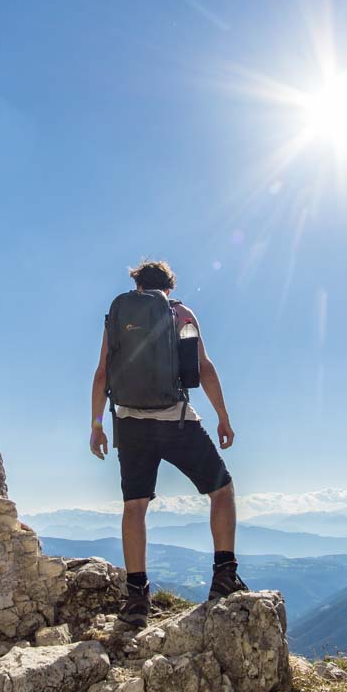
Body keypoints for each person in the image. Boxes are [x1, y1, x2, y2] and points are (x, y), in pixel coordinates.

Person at [90, 260, 247, 628]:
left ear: (137, 284)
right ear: (169, 287)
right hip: (175, 420)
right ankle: (224, 576)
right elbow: (203, 367)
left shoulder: (115, 318)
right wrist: (223, 416)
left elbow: (102, 373)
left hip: (128, 423)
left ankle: (136, 599)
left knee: (135, 506)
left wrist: (97, 426)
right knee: (222, 490)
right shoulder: (179, 312)